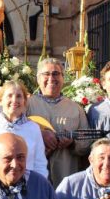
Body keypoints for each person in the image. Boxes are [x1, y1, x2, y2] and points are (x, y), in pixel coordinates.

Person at [27, 58, 91, 187]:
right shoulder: (27, 105)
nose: (51, 78)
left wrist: (72, 142)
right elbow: (14, 133)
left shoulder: (75, 108)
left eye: (56, 74)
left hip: (65, 176)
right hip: (32, 177)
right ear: (38, 78)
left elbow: (86, 143)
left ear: (63, 78)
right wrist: (40, 135)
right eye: (46, 74)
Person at [0, 80, 48, 180]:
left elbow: (40, 165)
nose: (14, 100)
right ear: (0, 101)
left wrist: (39, 189)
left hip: (26, 189)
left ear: (24, 101)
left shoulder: (33, 128)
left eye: (19, 96)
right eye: (9, 96)